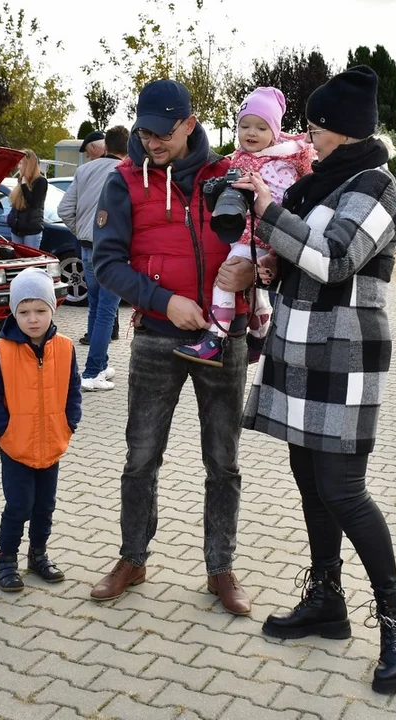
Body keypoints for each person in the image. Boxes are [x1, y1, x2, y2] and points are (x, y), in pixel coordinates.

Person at [236, 66, 396, 694]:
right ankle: (327, 599)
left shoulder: (374, 185)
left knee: (343, 490)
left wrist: (267, 214)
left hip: (343, 359)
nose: (307, 137)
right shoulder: (321, 182)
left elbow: (334, 257)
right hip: (298, 352)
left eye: (316, 127)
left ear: (340, 131)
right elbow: (299, 261)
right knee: (309, 482)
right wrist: (264, 269)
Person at [91, 79, 257, 616]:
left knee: (223, 462)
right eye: (143, 131)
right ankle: (132, 558)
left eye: (162, 132)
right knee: (141, 457)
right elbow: (107, 265)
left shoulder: (230, 174)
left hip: (223, 338)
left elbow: (258, 241)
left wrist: (260, 268)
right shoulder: (123, 181)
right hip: (158, 339)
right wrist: (165, 301)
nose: (152, 142)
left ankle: (220, 569)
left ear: (189, 124)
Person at [174, 87, 314, 367]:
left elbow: (309, 176)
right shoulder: (238, 158)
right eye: (244, 125)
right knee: (257, 286)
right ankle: (261, 333)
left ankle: (215, 340)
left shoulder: (290, 155)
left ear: (275, 132)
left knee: (224, 280)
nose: (251, 132)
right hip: (253, 233)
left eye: (262, 127)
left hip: (264, 232)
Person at [0, 268, 82, 591]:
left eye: (40, 310)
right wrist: (3, 427)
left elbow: (73, 389)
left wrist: (70, 422)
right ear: (14, 312)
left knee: (44, 505)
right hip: (16, 445)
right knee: (19, 504)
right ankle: (6, 557)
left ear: (53, 309)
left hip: (52, 441)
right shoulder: (3, 351)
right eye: (23, 311)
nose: (32, 319)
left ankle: (38, 554)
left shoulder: (65, 348)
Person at [57, 125, 129, 390]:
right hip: (113, 251)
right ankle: (92, 372)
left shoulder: (84, 170)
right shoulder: (125, 172)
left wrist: (82, 232)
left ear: (106, 145)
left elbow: (64, 209)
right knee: (106, 312)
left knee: (97, 308)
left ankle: (100, 363)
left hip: (87, 248)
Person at [7, 149, 47, 249]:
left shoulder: (41, 181)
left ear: (28, 164)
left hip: (31, 230)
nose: (18, 166)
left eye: (21, 163)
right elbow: (16, 204)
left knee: (29, 260)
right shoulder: (21, 180)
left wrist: (24, 185)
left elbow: (33, 203)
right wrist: (10, 219)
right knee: (18, 260)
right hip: (17, 229)